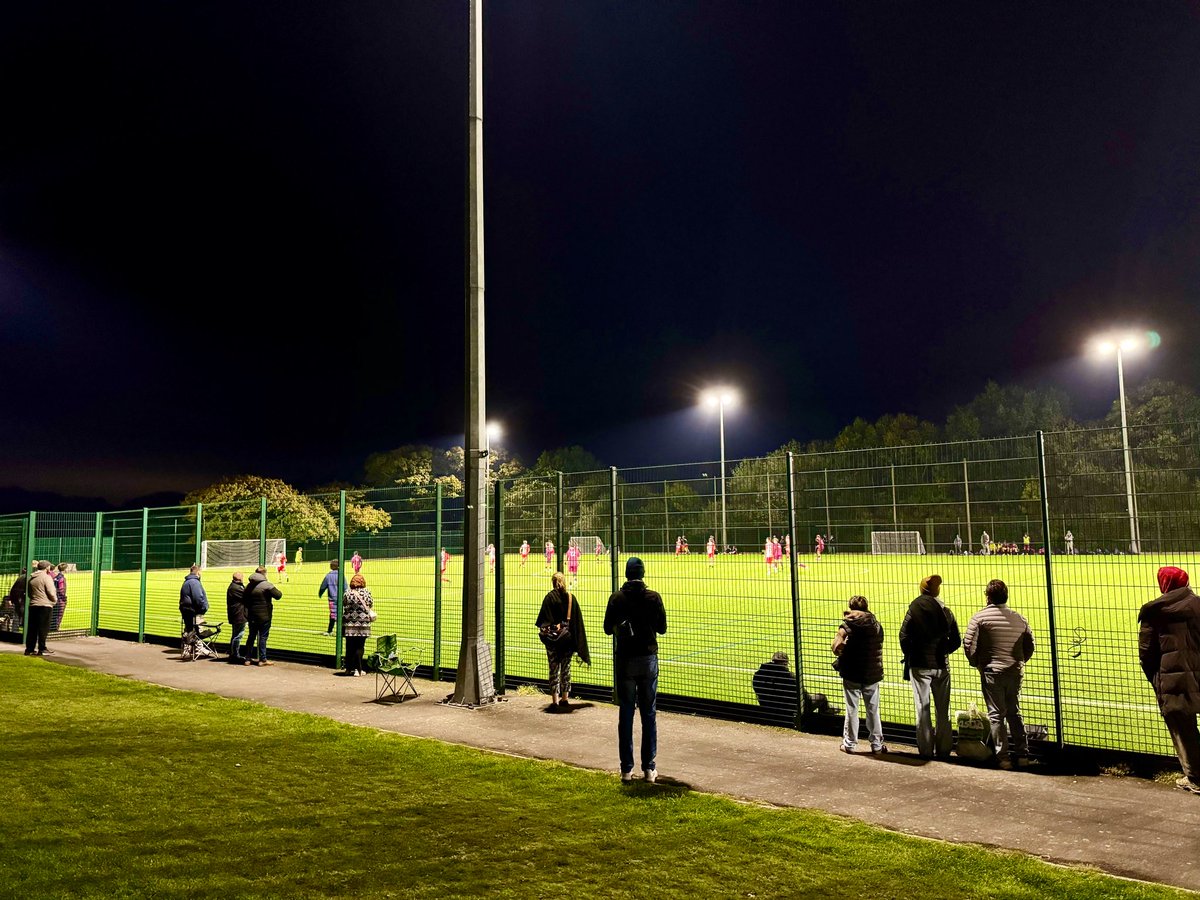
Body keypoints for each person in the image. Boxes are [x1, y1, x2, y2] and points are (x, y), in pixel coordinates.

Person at [604, 556, 667, 783]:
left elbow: (607, 629)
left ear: (627, 573)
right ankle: (649, 768)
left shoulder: (617, 598)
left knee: (626, 714)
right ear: (643, 573)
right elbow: (662, 628)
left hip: (625, 661)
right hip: (648, 659)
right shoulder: (653, 597)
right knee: (649, 714)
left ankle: (626, 770)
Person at [1138, 566, 1200, 794]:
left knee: (1182, 729)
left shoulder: (1154, 611)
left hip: (1172, 680)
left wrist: (1157, 679)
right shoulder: (1198, 605)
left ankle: (1195, 776)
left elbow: (1146, 653)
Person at [963, 578, 1035, 769]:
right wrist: (1019, 662)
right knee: (1014, 712)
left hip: (992, 671)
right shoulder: (1019, 618)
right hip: (1014, 671)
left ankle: (1003, 758)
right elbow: (1030, 645)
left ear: (988, 597)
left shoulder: (979, 618)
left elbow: (969, 645)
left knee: (996, 715)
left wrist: (977, 663)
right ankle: (1022, 755)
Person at [899, 574, 961, 759]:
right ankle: (944, 750)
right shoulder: (946, 612)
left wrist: (912, 653)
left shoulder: (913, 610)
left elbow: (903, 637)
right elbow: (956, 640)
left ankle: (925, 750)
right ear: (937, 591)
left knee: (922, 709)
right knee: (944, 710)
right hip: (941, 665)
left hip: (919, 665)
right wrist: (943, 651)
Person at [831, 595, 887, 755]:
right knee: (873, 710)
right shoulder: (876, 625)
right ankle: (876, 745)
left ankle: (849, 744)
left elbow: (836, 646)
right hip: (872, 673)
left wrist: (842, 647)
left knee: (852, 709)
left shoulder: (847, 626)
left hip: (852, 673)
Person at [536, 570, 591, 706]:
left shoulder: (549, 598)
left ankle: (554, 700)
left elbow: (543, 622)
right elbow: (577, 622)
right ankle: (565, 698)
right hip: (567, 640)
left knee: (553, 669)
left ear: (553, 583)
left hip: (553, 641)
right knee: (566, 669)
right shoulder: (571, 598)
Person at [244, 565, 283, 666]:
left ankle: (247, 658)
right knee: (263, 637)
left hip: (252, 615)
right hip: (264, 615)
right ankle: (262, 659)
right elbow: (278, 595)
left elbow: (245, 598)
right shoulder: (266, 585)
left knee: (251, 636)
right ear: (264, 573)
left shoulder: (249, 585)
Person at [341, 573, 375, 677]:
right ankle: (358, 670)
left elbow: (344, 603)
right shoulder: (366, 593)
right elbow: (370, 604)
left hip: (349, 623)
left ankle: (348, 669)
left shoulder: (347, 593)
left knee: (349, 646)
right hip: (363, 624)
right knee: (360, 647)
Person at [24, 561, 56, 656]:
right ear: (47, 568)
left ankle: (29, 649)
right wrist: (54, 601)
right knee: (43, 628)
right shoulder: (46, 577)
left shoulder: (31, 578)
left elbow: (29, 593)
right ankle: (42, 648)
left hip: (33, 605)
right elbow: (51, 592)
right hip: (45, 605)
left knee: (32, 628)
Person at [178, 564, 209, 639]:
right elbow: (198, 598)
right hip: (195, 611)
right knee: (198, 631)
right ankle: (197, 648)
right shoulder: (194, 582)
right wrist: (203, 608)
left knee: (189, 630)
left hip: (187, 610)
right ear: (198, 572)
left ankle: (188, 648)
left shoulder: (187, 582)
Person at [226, 571, 248, 664]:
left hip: (237, 614)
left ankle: (233, 653)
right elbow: (246, 596)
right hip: (238, 615)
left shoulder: (235, 586)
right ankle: (235, 655)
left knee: (236, 634)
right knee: (238, 635)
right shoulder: (235, 588)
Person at [319, 560, 340, 635]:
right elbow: (345, 586)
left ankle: (330, 631)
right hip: (340, 598)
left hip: (332, 598)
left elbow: (323, 586)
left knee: (333, 614)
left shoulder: (328, 575)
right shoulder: (341, 575)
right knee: (339, 613)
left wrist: (320, 593)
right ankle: (338, 631)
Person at [51, 563, 68, 631]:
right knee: (59, 614)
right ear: (65, 569)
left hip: (54, 597)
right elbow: (61, 589)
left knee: (54, 613)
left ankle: (52, 627)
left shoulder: (56, 577)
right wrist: (64, 597)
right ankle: (56, 628)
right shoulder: (62, 578)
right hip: (60, 598)